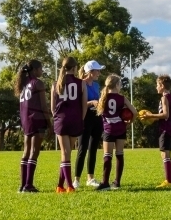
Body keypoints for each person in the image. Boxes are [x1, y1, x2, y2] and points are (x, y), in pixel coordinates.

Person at [51, 56, 87, 194]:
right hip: (75, 119)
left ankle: (61, 185)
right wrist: (80, 119)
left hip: (61, 120)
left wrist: (57, 118)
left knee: (65, 153)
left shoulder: (56, 84)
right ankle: (69, 186)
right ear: (74, 67)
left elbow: (53, 108)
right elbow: (84, 105)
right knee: (67, 153)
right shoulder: (81, 83)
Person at [15, 59, 51, 192]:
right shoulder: (38, 83)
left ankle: (22, 185)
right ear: (35, 70)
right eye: (41, 69)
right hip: (37, 119)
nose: (42, 71)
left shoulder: (24, 84)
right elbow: (43, 105)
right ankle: (28, 185)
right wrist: (49, 123)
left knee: (26, 152)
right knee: (34, 152)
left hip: (26, 121)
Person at [97, 74, 136, 190]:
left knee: (107, 155)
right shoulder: (122, 98)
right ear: (117, 85)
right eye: (120, 84)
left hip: (108, 129)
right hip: (120, 128)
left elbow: (99, 112)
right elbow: (134, 112)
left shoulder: (103, 98)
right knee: (119, 154)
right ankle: (117, 182)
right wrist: (129, 123)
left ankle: (105, 183)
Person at [142, 75, 171, 188]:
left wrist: (150, 116)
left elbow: (165, 114)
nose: (156, 87)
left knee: (164, 154)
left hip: (166, 128)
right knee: (168, 154)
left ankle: (168, 181)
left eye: (157, 85)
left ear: (162, 85)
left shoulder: (164, 97)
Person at [73, 60, 104, 189]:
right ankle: (76, 180)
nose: (99, 73)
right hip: (85, 118)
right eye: (97, 70)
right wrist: (91, 102)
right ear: (90, 72)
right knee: (82, 149)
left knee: (93, 149)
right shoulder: (81, 84)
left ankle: (90, 178)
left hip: (96, 118)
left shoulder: (96, 85)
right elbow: (78, 105)